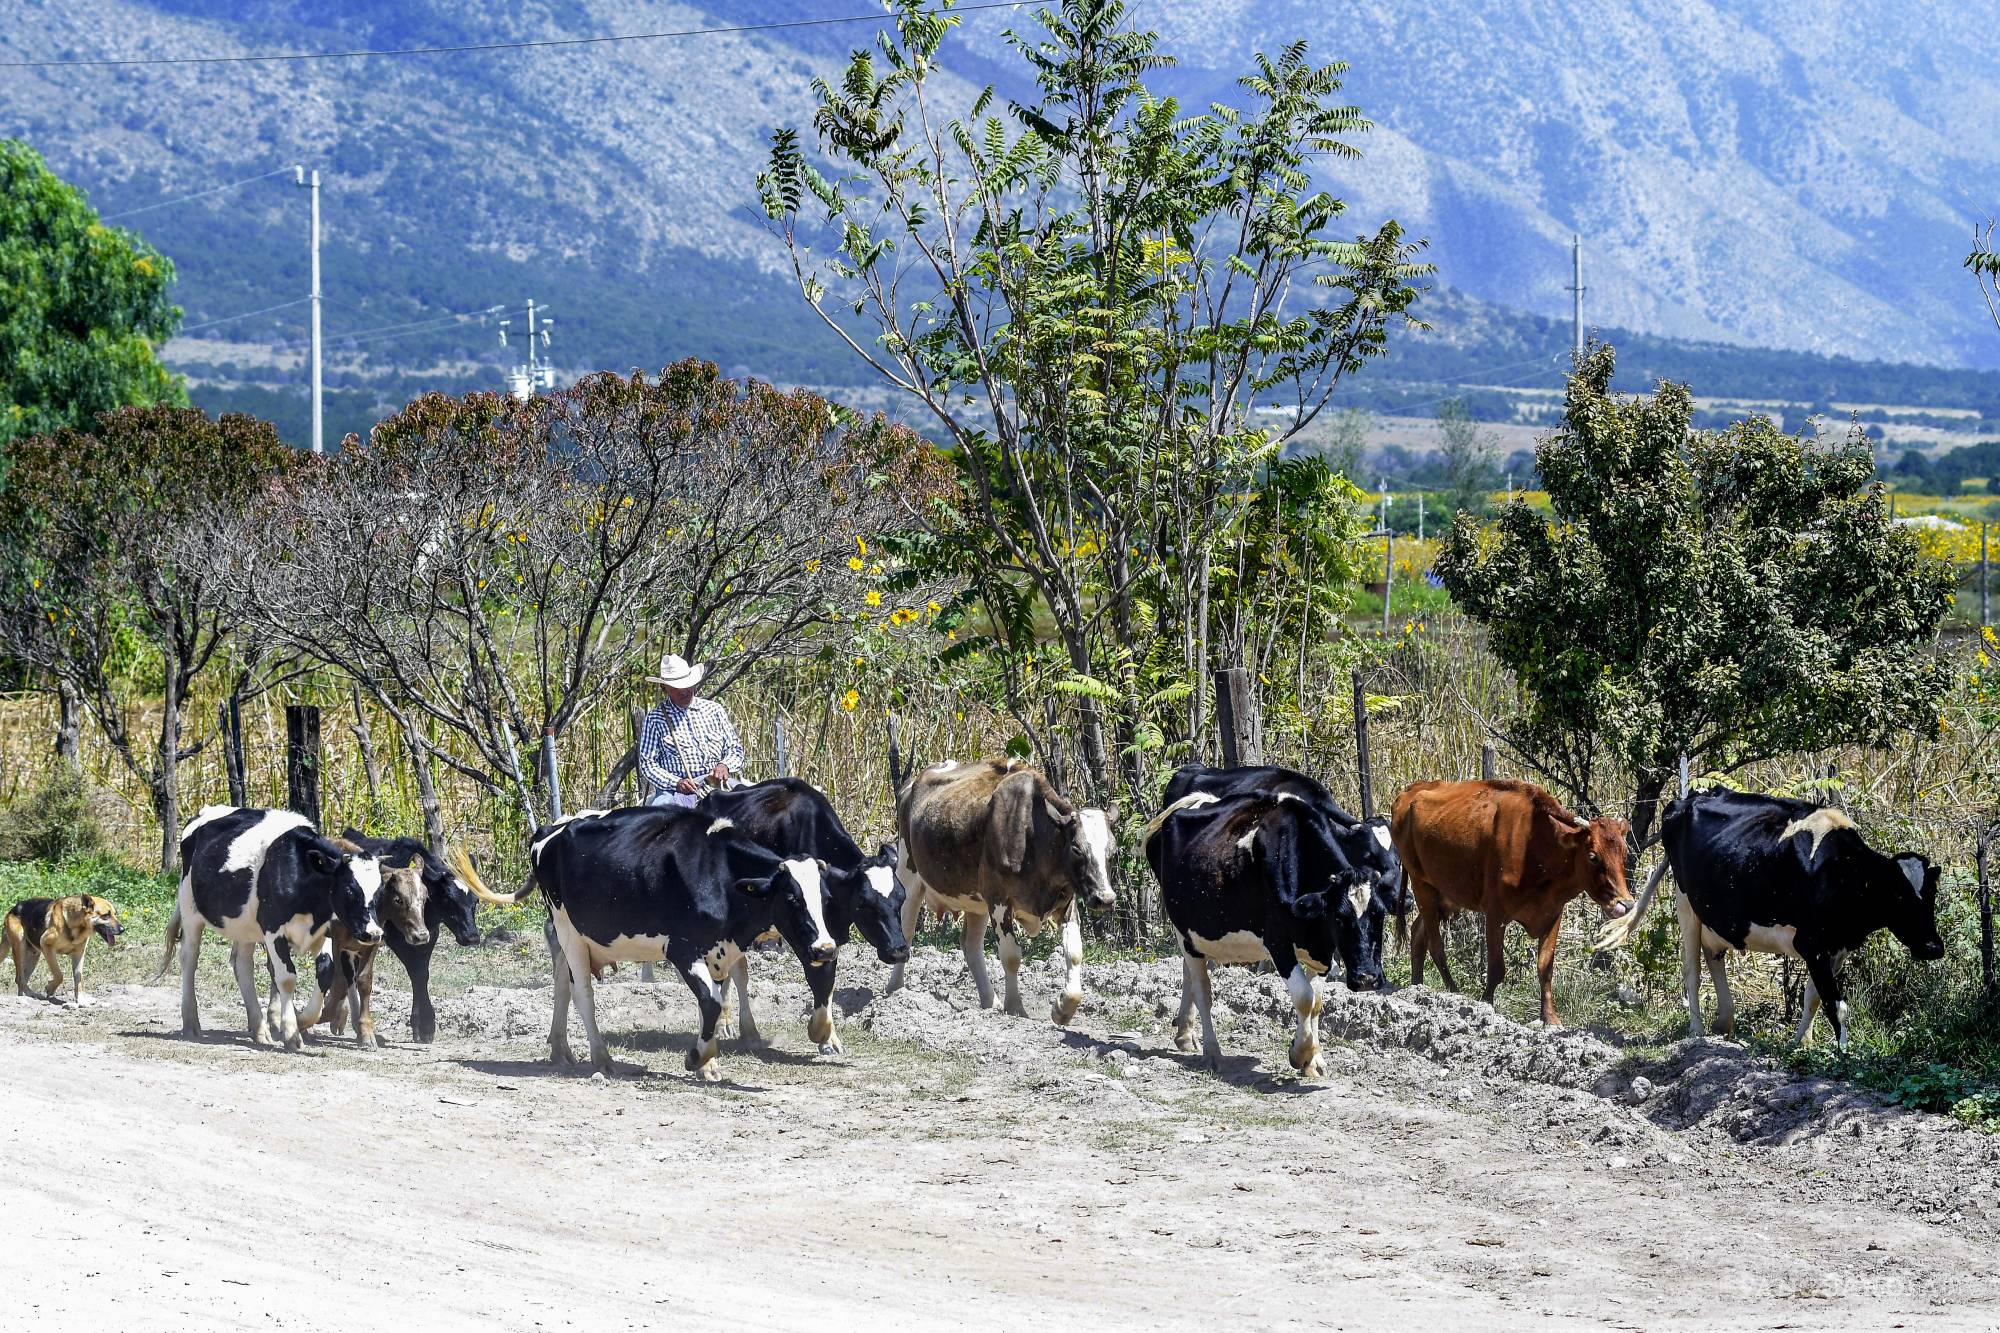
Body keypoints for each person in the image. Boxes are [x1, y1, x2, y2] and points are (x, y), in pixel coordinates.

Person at [636, 654, 744, 808]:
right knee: (662, 814)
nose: (684, 691)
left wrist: (724, 766)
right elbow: (648, 764)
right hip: (673, 790)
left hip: (716, 782)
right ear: (664, 687)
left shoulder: (714, 710)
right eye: (676, 687)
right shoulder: (655, 719)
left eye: (687, 685)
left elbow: (735, 748)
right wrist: (677, 783)